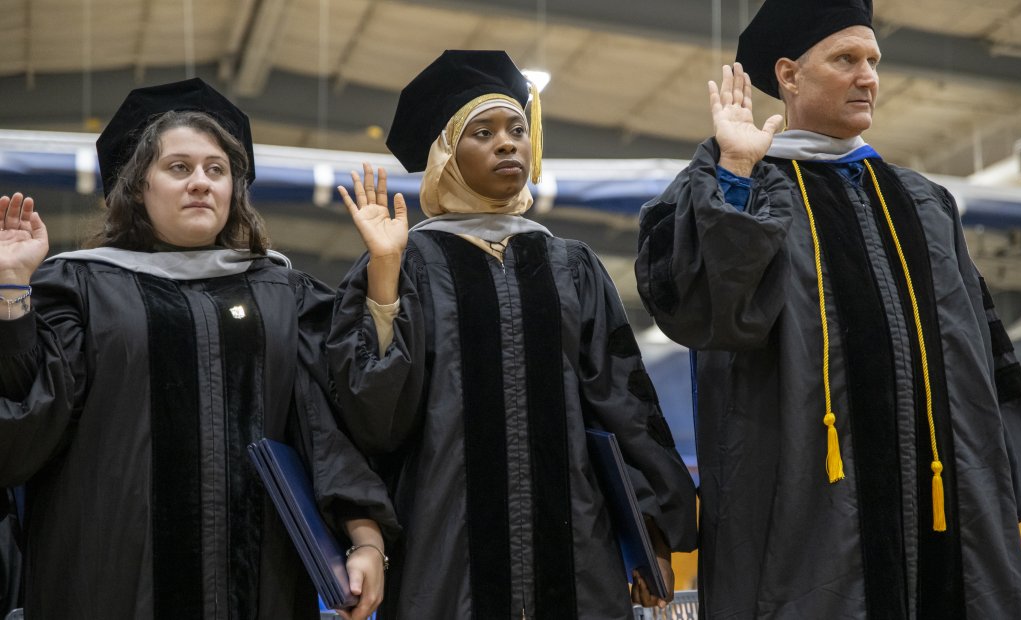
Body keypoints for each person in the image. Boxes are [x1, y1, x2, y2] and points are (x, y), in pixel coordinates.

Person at [634, 0, 1021, 617]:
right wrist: (732, 169)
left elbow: (980, 350)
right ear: (788, 75)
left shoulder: (923, 203)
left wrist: (1009, 472)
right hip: (807, 519)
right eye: (846, 59)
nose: (869, 77)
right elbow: (706, 311)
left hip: (947, 508)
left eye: (873, 60)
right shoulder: (744, 189)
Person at [0, 78, 398, 620]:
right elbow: (23, 427)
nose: (201, 184)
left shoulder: (281, 295)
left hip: (259, 584)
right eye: (179, 168)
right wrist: (12, 293)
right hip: (111, 579)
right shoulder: (82, 288)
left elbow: (325, 428)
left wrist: (365, 536)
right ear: (138, 186)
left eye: (217, 170)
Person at [326, 50, 697, 619]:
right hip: (446, 554)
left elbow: (624, 407)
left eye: (517, 129)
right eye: (483, 132)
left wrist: (651, 534)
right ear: (446, 154)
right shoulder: (410, 263)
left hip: (578, 550)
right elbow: (371, 416)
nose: (507, 144)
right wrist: (383, 278)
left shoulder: (571, 265)